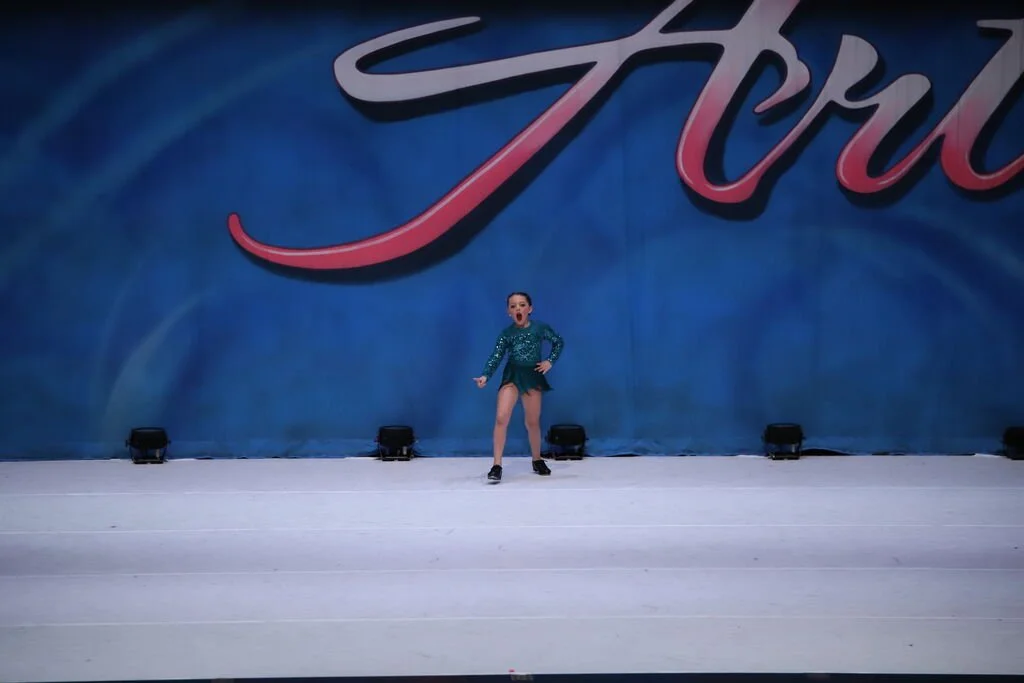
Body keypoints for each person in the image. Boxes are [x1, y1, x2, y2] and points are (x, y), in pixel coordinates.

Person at [473, 292, 564, 483]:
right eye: (513, 306)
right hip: (513, 375)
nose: (518, 309)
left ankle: (537, 459)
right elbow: (496, 356)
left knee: (532, 421)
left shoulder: (540, 328)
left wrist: (550, 361)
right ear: (508, 312)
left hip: (532, 376)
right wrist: (485, 376)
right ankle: (497, 465)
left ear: (529, 309)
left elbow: (558, 342)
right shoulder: (507, 334)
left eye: (522, 305)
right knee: (501, 418)